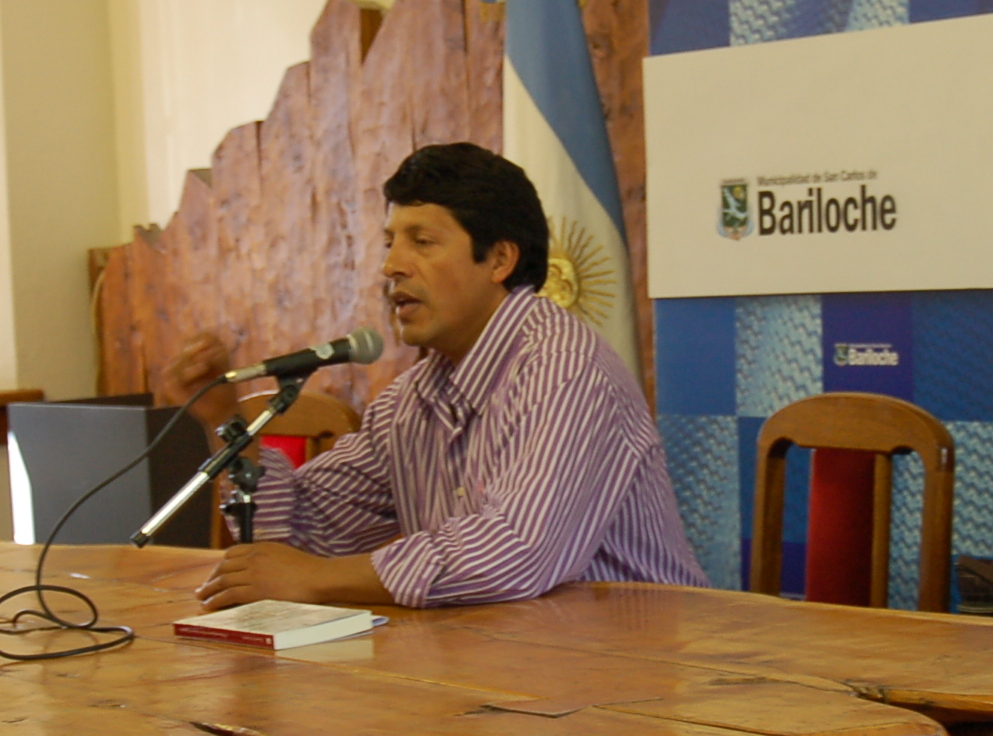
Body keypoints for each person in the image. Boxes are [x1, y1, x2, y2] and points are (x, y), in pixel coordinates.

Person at [165, 142, 707, 610]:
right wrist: (224, 421)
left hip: (638, 675)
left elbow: (514, 555)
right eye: (389, 242)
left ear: (498, 260)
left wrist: (315, 579)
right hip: (513, 668)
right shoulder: (413, 400)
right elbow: (308, 531)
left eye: (422, 242)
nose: (391, 266)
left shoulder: (565, 371)